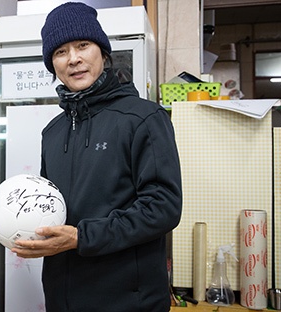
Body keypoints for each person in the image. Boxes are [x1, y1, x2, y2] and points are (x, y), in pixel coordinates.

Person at [11, 3, 183, 312]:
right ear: (53, 65)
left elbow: (163, 207)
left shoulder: (143, 118)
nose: (74, 58)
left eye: (83, 45)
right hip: (62, 298)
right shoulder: (53, 132)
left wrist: (82, 237)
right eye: (60, 52)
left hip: (129, 301)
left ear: (102, 52)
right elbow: (49, 206)